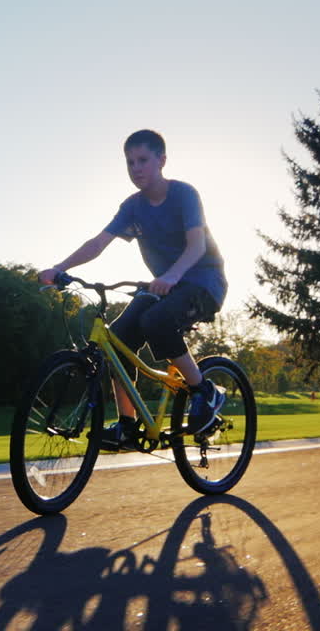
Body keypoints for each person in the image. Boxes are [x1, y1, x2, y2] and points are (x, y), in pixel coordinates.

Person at [39, 129, 227, 450]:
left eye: (142, 160)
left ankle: (203, 391)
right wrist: (60, 269)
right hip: (166, 287)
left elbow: (196, 246)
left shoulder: (184, 195)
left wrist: (171, 276)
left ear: (162, 160)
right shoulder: (132, 207)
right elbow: (98, 244)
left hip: (202, 283)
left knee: (156, 321)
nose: (135, 168)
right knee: (119, 339)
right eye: (129, 162)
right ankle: (127, 425)